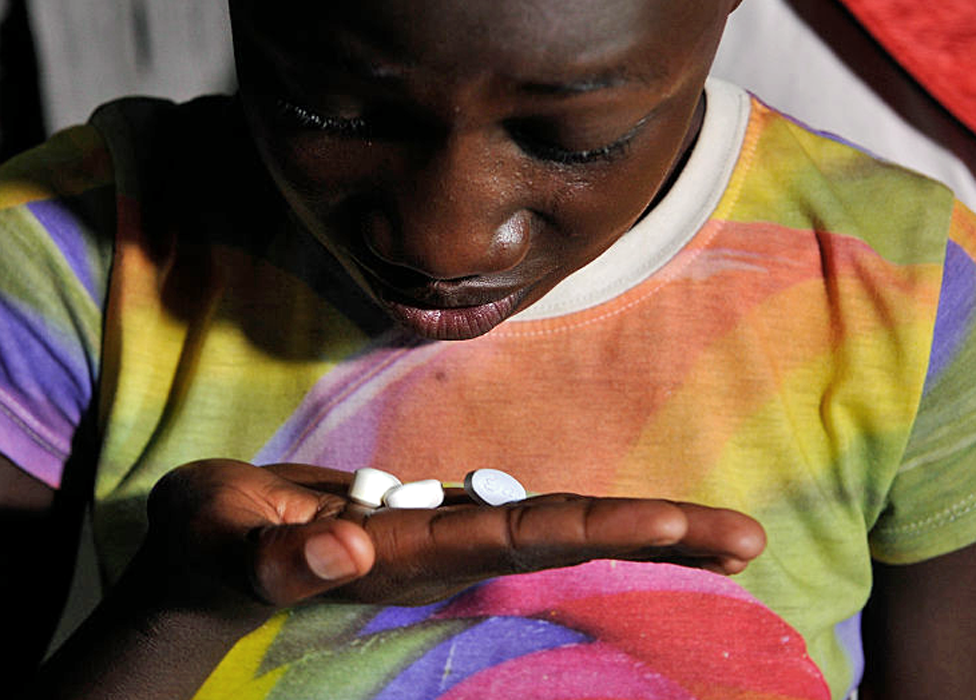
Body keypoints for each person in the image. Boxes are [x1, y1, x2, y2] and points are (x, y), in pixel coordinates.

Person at [2, 1, 974, 699]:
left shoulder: (921, 287)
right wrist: (182, 612)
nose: (446, 242)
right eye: (335, 111)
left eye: (574, 137)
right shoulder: (60, 254)